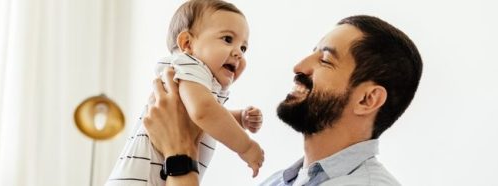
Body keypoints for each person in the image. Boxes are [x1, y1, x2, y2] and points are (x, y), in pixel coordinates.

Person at [143, 15, 423, 186]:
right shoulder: (281, 180)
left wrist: (179, 154)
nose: (299, 66)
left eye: (325, 60)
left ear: (367, 99)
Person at [106, 0, 265, 185]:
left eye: (243, 48)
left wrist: (239, 118)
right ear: (187, 43)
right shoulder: (190, 64)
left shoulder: (196, 83)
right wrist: (246, 147)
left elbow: (200, 117)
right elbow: (203, 112)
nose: (238, 52)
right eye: (228, 39)